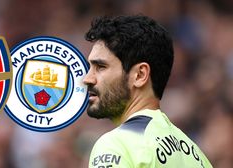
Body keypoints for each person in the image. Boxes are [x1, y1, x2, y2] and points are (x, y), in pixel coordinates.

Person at [83, 15, 212, 168]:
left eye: (101, 67)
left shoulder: (115, 145)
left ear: (140, 75)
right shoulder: (198, 156)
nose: (87, 79)